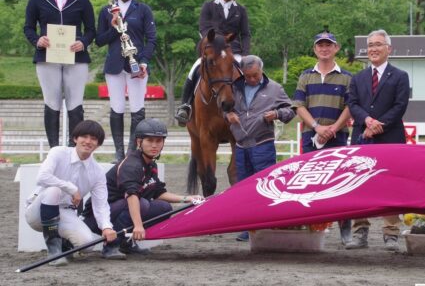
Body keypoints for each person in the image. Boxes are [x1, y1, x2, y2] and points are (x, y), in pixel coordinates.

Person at [83, 119, 203, 258]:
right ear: (139, 142)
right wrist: (138, 226)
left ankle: (125, 242)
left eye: (158, 141)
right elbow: (132, 195)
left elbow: (158, 193)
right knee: (142, 203)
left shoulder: (151, 165)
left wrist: (188, 199)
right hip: (97, 218)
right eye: (150, 140)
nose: (154, 145)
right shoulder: (132, 165)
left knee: (164, 208)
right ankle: (111, 246)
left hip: (120, 211)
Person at [343, 29, 409, 251]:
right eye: (370, 45)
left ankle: (391, 234)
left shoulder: (400, 76)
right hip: (362, 137)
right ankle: (360, 232)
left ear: (388, 49)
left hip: (391, 138)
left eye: (378, 44)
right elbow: (352, 104)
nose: (373, 48)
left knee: (390, 186)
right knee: (360, 185)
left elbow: (400, 106)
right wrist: (368, 121)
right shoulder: (358, 77)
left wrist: (379, 125)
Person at [24, 0, 96, 148]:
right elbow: (28, 27)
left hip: (76, 57)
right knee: (51, 102)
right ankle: (54, 149)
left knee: (75, 104)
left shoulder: (82, 0)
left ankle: (75, 149)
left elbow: (91, 30)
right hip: (47, 57)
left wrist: (83, 42)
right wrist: (37, 40)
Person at [24, 120, 117, 266]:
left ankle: (64, 246)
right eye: (84, 137)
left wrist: (106, 226)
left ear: (98, 144)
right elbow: (42, 177)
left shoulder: (97, 172)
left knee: (87, 244)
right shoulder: (58, 152)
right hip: (38, 211)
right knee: (54, 190)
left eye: (93, 139)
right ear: (75, 138)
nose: (88, 141)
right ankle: (53, 251)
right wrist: (71, 189)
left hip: (64, 212)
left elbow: (101, 204)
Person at [225, 55, 295, 241]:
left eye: (255, 75)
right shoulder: (234, 87)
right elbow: (224, 108)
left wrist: (277, 113)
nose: (252, 79)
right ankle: (249, 227)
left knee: (265, 185)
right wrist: (228, 115)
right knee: (243, 187)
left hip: (263, 145)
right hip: (240, 145)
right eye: (248, 76)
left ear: (261, 70)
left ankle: (266, 224)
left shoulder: (275, 88)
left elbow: (291, 111)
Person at [293, 31, 353, 244]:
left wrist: (335, 127)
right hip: (311, 136)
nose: (324, 48)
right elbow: (299, 106)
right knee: (311, 185)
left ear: (336, 48)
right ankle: (314, 226)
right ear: (315, 49)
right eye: (320, 45)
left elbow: (350, 106)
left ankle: (345, 229)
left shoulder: (346, 77)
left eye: (329, 45)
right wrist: (317, 127)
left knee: (340, 183)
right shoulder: (305, 76)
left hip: (337, 137)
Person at [95, 0, 157, 163]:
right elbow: (99, 40)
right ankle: (119, 152)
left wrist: (145, 61)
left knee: (137, 108)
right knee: (117, 107)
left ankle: (132, 151)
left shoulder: (143, 10)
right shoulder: (106, 11)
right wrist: (113, 28)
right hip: (114, 66)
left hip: (136, 66)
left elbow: (152, 39)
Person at [174, 0, 251, 126]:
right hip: (211, 50)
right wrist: (214, 43)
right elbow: (203, 29)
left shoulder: (241, 10)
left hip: (233, 51)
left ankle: (252, 107)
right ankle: (186, 105)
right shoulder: (208, 6)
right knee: (194, 69)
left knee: (251, 72)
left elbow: (246, 34)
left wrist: (245, 55)